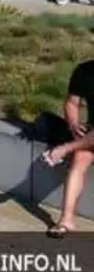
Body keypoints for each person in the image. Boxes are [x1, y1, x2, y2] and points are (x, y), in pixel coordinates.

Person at [41, 59, 94, 238]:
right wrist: (74, 125)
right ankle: (66, 220)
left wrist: (66, 148)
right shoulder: (84, 71)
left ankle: (63, 150)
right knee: (80, 159)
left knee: (76, 150)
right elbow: (72, 102)